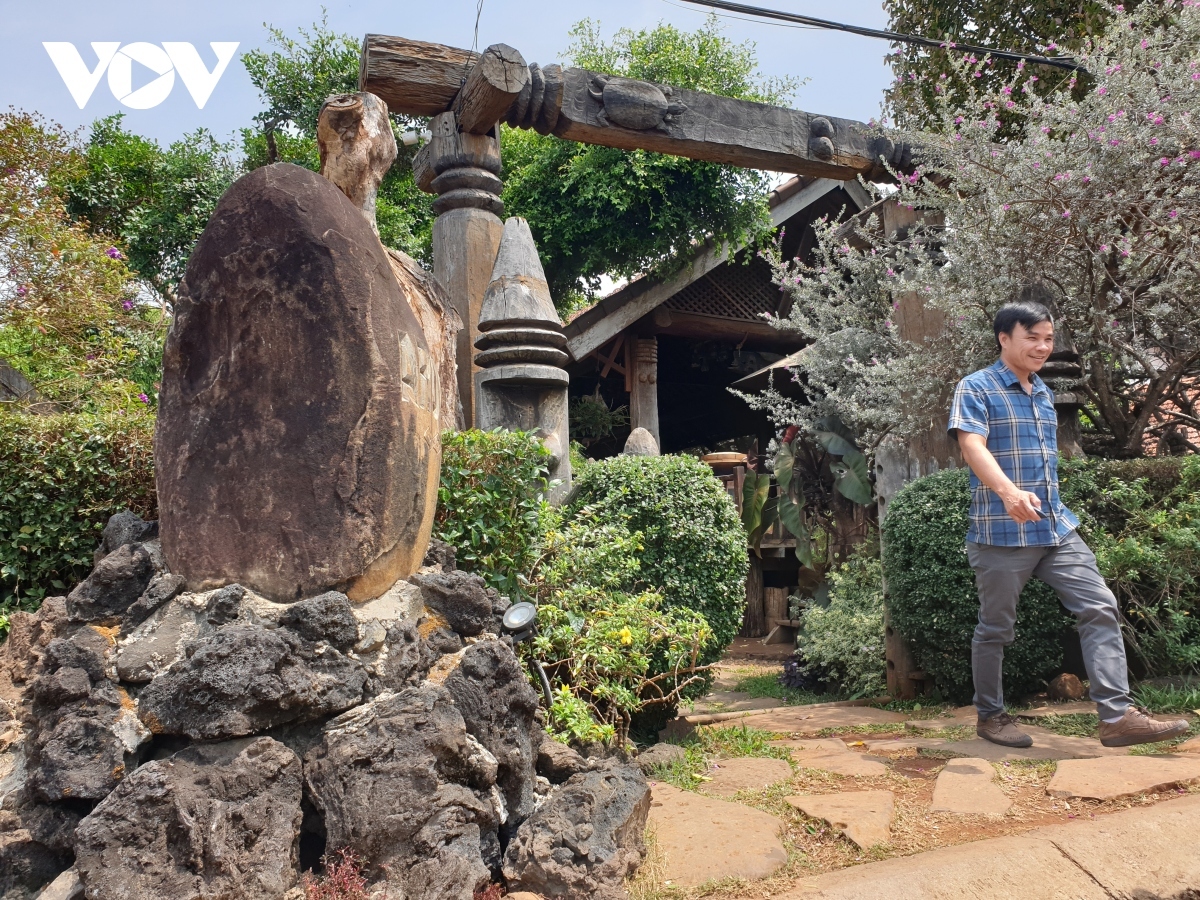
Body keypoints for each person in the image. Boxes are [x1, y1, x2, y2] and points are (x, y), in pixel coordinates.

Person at [947, 300, 1188, 748]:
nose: (1042, 346)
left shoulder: (1041, 390)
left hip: (1055, 529)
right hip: (1002, 532)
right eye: (1032, 337)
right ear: (1004, 338)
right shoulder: (976, 387)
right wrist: (1009, 492)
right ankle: (991, 716)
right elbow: (972, 446)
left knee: (1099, 606)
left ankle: (1116, 718)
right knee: (996, 628)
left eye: (1048, 339)